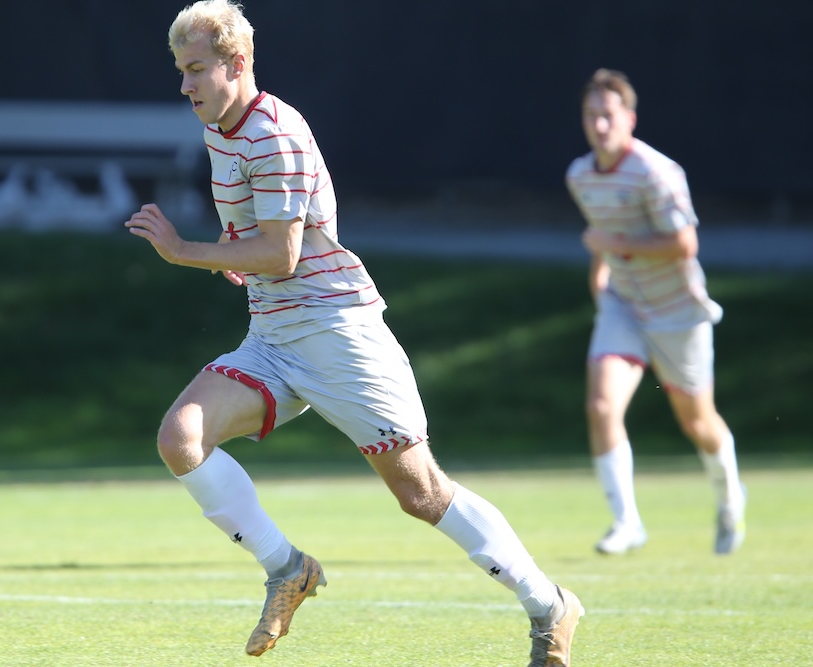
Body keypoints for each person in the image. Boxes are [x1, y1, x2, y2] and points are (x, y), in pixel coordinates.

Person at [125, 1, 583, 663]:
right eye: (181, 70)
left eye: (196, 69)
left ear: (237, 63)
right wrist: (233, 256)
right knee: (180, 438)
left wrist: (184, 251)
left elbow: (282, 254)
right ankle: (288, 569)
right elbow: (266, 241)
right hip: (273, 337)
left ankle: (549, 604)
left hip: (340, 334)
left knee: (421, 493)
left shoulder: (272, 132)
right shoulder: (222, 131)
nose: (184, 85)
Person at [566, 68, 746, 556]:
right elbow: (603, 238)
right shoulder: (580, 175)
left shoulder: (656, 173)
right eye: (591, 115)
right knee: (601, 406)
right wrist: (601, 279)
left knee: (697, 423)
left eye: (608, 115)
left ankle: (730, 500)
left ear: (630, 118)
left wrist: (613, 244)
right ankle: (627, 523)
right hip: (623, 305)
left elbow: (684, 244)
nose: (599, 125)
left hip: (677, 311)